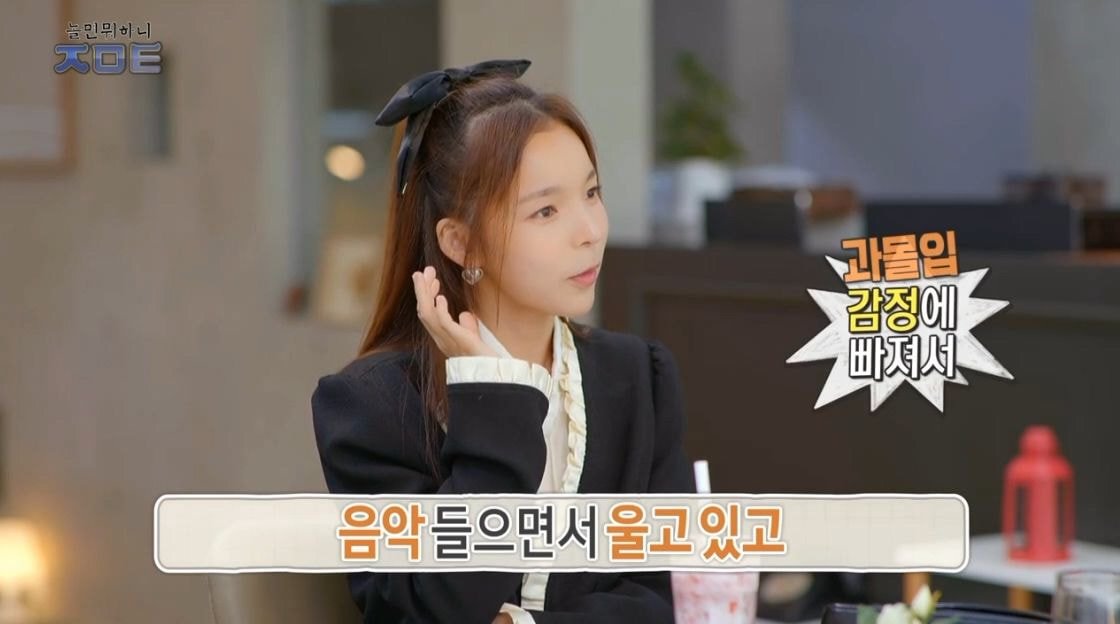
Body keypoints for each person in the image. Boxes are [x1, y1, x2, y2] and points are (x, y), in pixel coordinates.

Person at [311, 58, 694, 624]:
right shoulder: (371, 406)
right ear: (460, 242)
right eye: (546, 210)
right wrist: (494, 397)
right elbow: (438, 609)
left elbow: (663, 600)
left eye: (592, 193)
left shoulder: (638, 377)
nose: (590, 231)